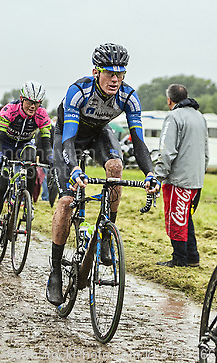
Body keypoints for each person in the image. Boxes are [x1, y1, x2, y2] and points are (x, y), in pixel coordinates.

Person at [46, 43, 160, 306]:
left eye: (120, 73)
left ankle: (106, 234)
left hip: (99, 134)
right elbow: (69, 140)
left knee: (116, 168)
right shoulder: (79, 91)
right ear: (96, 71)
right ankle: (55, 272)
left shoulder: (129, 96)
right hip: (68, 138)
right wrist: (74, 168)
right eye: (109, 73)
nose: (115, 79)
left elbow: (139, 142)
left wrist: (150, 173)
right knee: (65, 202)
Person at [0, 81, 52, 252]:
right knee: (1, 185)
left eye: (37, 102)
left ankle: (25, 202)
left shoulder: (42, 115)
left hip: (24, 145)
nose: (33, 106)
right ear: (22, 99)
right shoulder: (9, 110)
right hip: (5, 146)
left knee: (31, 166)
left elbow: (45, 142)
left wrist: (50, 158)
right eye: (30, 101)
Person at [154, 84, 208, 268]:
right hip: (196, 180)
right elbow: (206, 152)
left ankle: (180, 259)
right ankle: (193, 257)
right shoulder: (200, 117)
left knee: (176, 219)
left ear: (169, 100)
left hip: (178, 180)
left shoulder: (173, 117)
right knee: (186, 217)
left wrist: (157, 176)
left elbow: (166, 151)